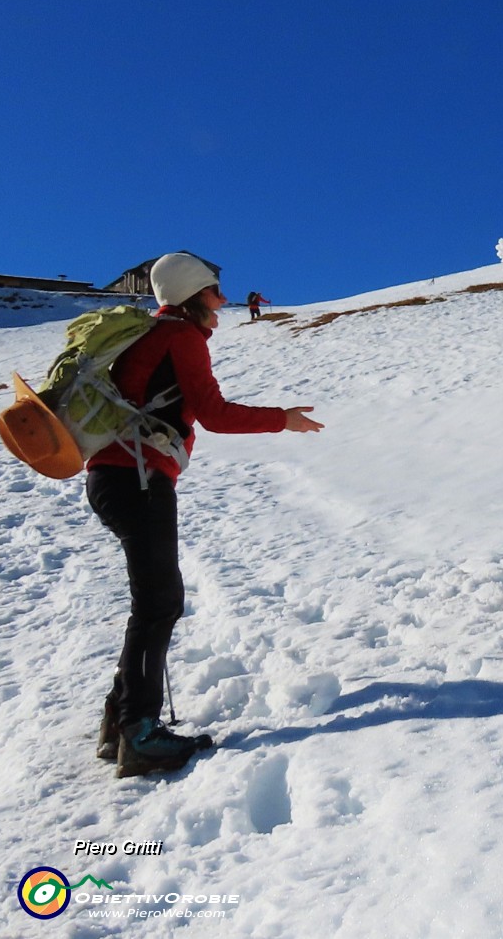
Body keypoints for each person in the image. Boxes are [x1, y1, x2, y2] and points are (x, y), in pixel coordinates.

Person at [88, 252, 323, 778]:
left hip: (114, 477)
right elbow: (213, 414)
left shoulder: (148, 334)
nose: (223, 299)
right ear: (194, 294)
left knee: (152, 602)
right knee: (159, 604)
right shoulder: (180, 337)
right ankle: (139, 733)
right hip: (140, 479)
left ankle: (118, 722)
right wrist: (282, 420)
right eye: (216, 290)